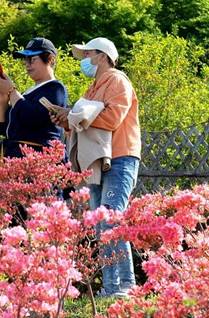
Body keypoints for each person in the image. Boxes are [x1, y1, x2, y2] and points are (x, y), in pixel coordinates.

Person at [50, 37, 141, 298]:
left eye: (88, 54)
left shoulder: (117, 79)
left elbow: (112, 118)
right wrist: (66, 118)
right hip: (102, 159)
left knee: (111, 220)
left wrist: (73, 116)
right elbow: (85, 123)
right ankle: (111, 287)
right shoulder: (93, 88)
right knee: (102, 224)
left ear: (102, 56)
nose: (84, 60)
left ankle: (125, 287)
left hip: (121, 156)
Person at [0, 37, 68, 166]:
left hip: (37, 160)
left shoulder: (55, 88)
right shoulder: (26, 93)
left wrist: (12, 90)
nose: (27, 64)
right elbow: (2, 128)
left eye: (32, 59)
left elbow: (32, 117)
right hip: (14, 158)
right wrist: (3, 100)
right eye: (26, 59)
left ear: (49, 59)